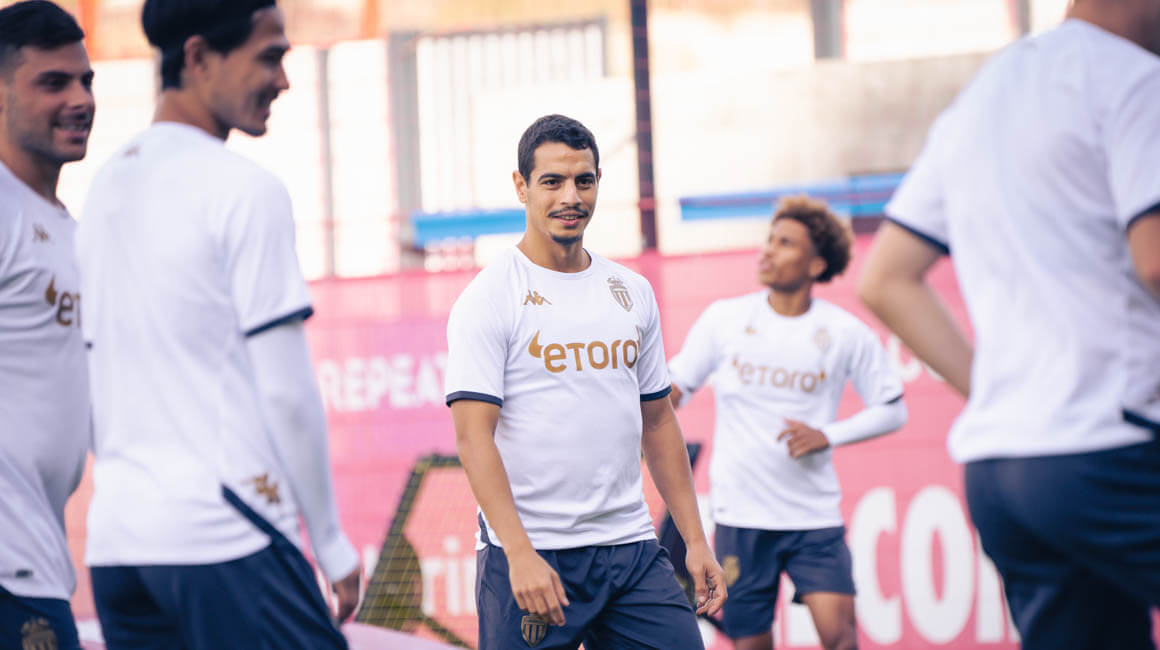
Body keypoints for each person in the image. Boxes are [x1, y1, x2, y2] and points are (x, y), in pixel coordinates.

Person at [857, 0, 1160, 647]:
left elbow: (885, 278)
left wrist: (998, 392)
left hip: (1005, 471)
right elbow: (1155, 259)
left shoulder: (985, 95)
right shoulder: (1136, 81)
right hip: (1113, 451)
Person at [76, 1, 361, 647]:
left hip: (119, 546)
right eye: (270, 56)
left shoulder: (103, 190)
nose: (283, 80)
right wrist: (330, 540)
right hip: (225, 534)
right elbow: (287, 392)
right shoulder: (244, 189)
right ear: (200, 57)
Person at [444, 113, 726, 650]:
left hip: (630, 550)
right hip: (531, 555)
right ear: (522, 186)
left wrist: (694, 540)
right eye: (552, 182)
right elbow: (473, 437)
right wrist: (519, 553)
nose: (570, 197)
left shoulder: (631, 291)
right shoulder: (489, 297)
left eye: (584, 180)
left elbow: (658, 421)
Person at [668, 197, 906, 650]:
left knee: (841, 638)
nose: (769, 251)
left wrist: (827, 436)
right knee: (751, 644)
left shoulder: (845, 332)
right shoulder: (725, 318)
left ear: (816, 264)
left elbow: (893, 409)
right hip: (741, 516)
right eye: (770, 240)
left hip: (812, 517)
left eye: (785, 243)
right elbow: (674, 388)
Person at [0, 3, 93, 649]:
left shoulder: (67, 230)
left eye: (86, 81)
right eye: (54, 83)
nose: (80, 99)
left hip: (37, 556)